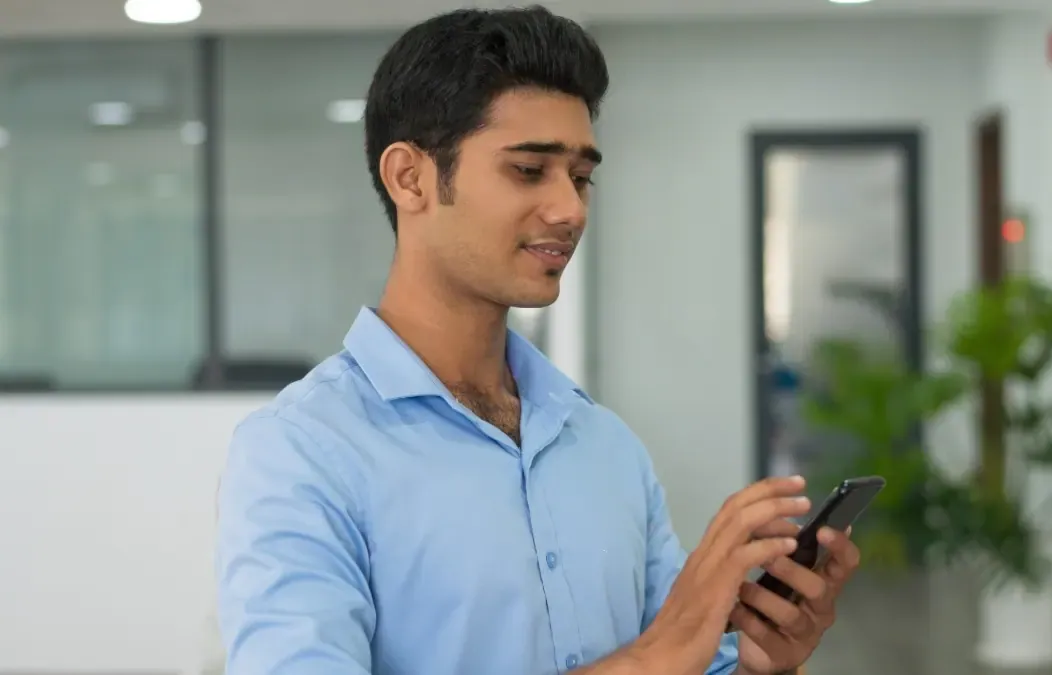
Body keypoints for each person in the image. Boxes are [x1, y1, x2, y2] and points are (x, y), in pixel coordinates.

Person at [214, 6, 862, 675]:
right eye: (529, 170)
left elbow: (687, 662)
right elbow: (662, 657)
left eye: (580, 177)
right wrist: (653, 657)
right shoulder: (301, 453)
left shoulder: (605, 445)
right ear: (410, 178)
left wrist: (761, 665)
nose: (571, 209)